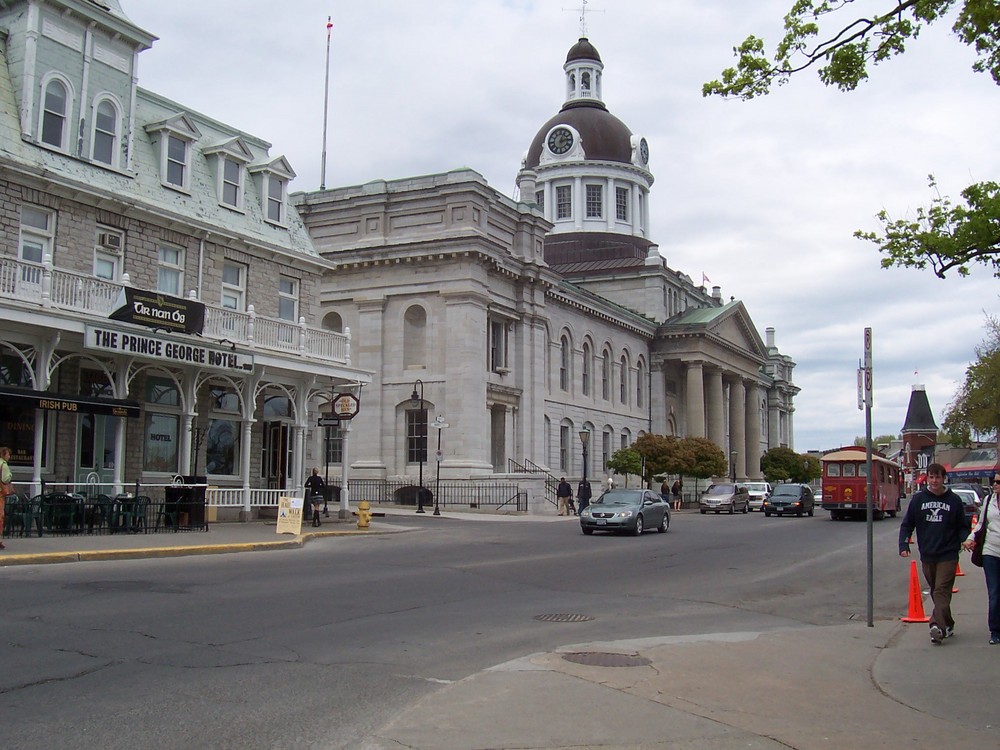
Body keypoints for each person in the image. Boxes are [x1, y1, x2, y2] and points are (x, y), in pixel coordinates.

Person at [899, 463, 971, 644]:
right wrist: (903, 544)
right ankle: (947, 622)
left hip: (948, 553)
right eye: (931, 477)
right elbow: (908, 524)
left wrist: (966, 539)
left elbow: (962, 526)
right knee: (936, 591)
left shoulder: (953, 500)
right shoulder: (918, 500)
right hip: (928, 553)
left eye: (937, 477)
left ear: (943, 478)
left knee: (941, 590)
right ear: (927, 479)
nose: (934, 481)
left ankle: (936, 625)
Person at [961, 473, 1000, 644]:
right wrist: (970, 538)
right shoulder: (989, 500)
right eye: (994, 481)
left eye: (998, 482)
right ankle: (995, 631)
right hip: (991, 551)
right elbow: (980, 524)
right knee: (995, 593)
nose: (995, 484)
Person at [0, 446, 12, 550]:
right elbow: (5, 478)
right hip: (0, 493)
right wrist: (10, 475)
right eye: (8, 454)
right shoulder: (3, 465)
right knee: (0, 516)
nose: (9, 456)